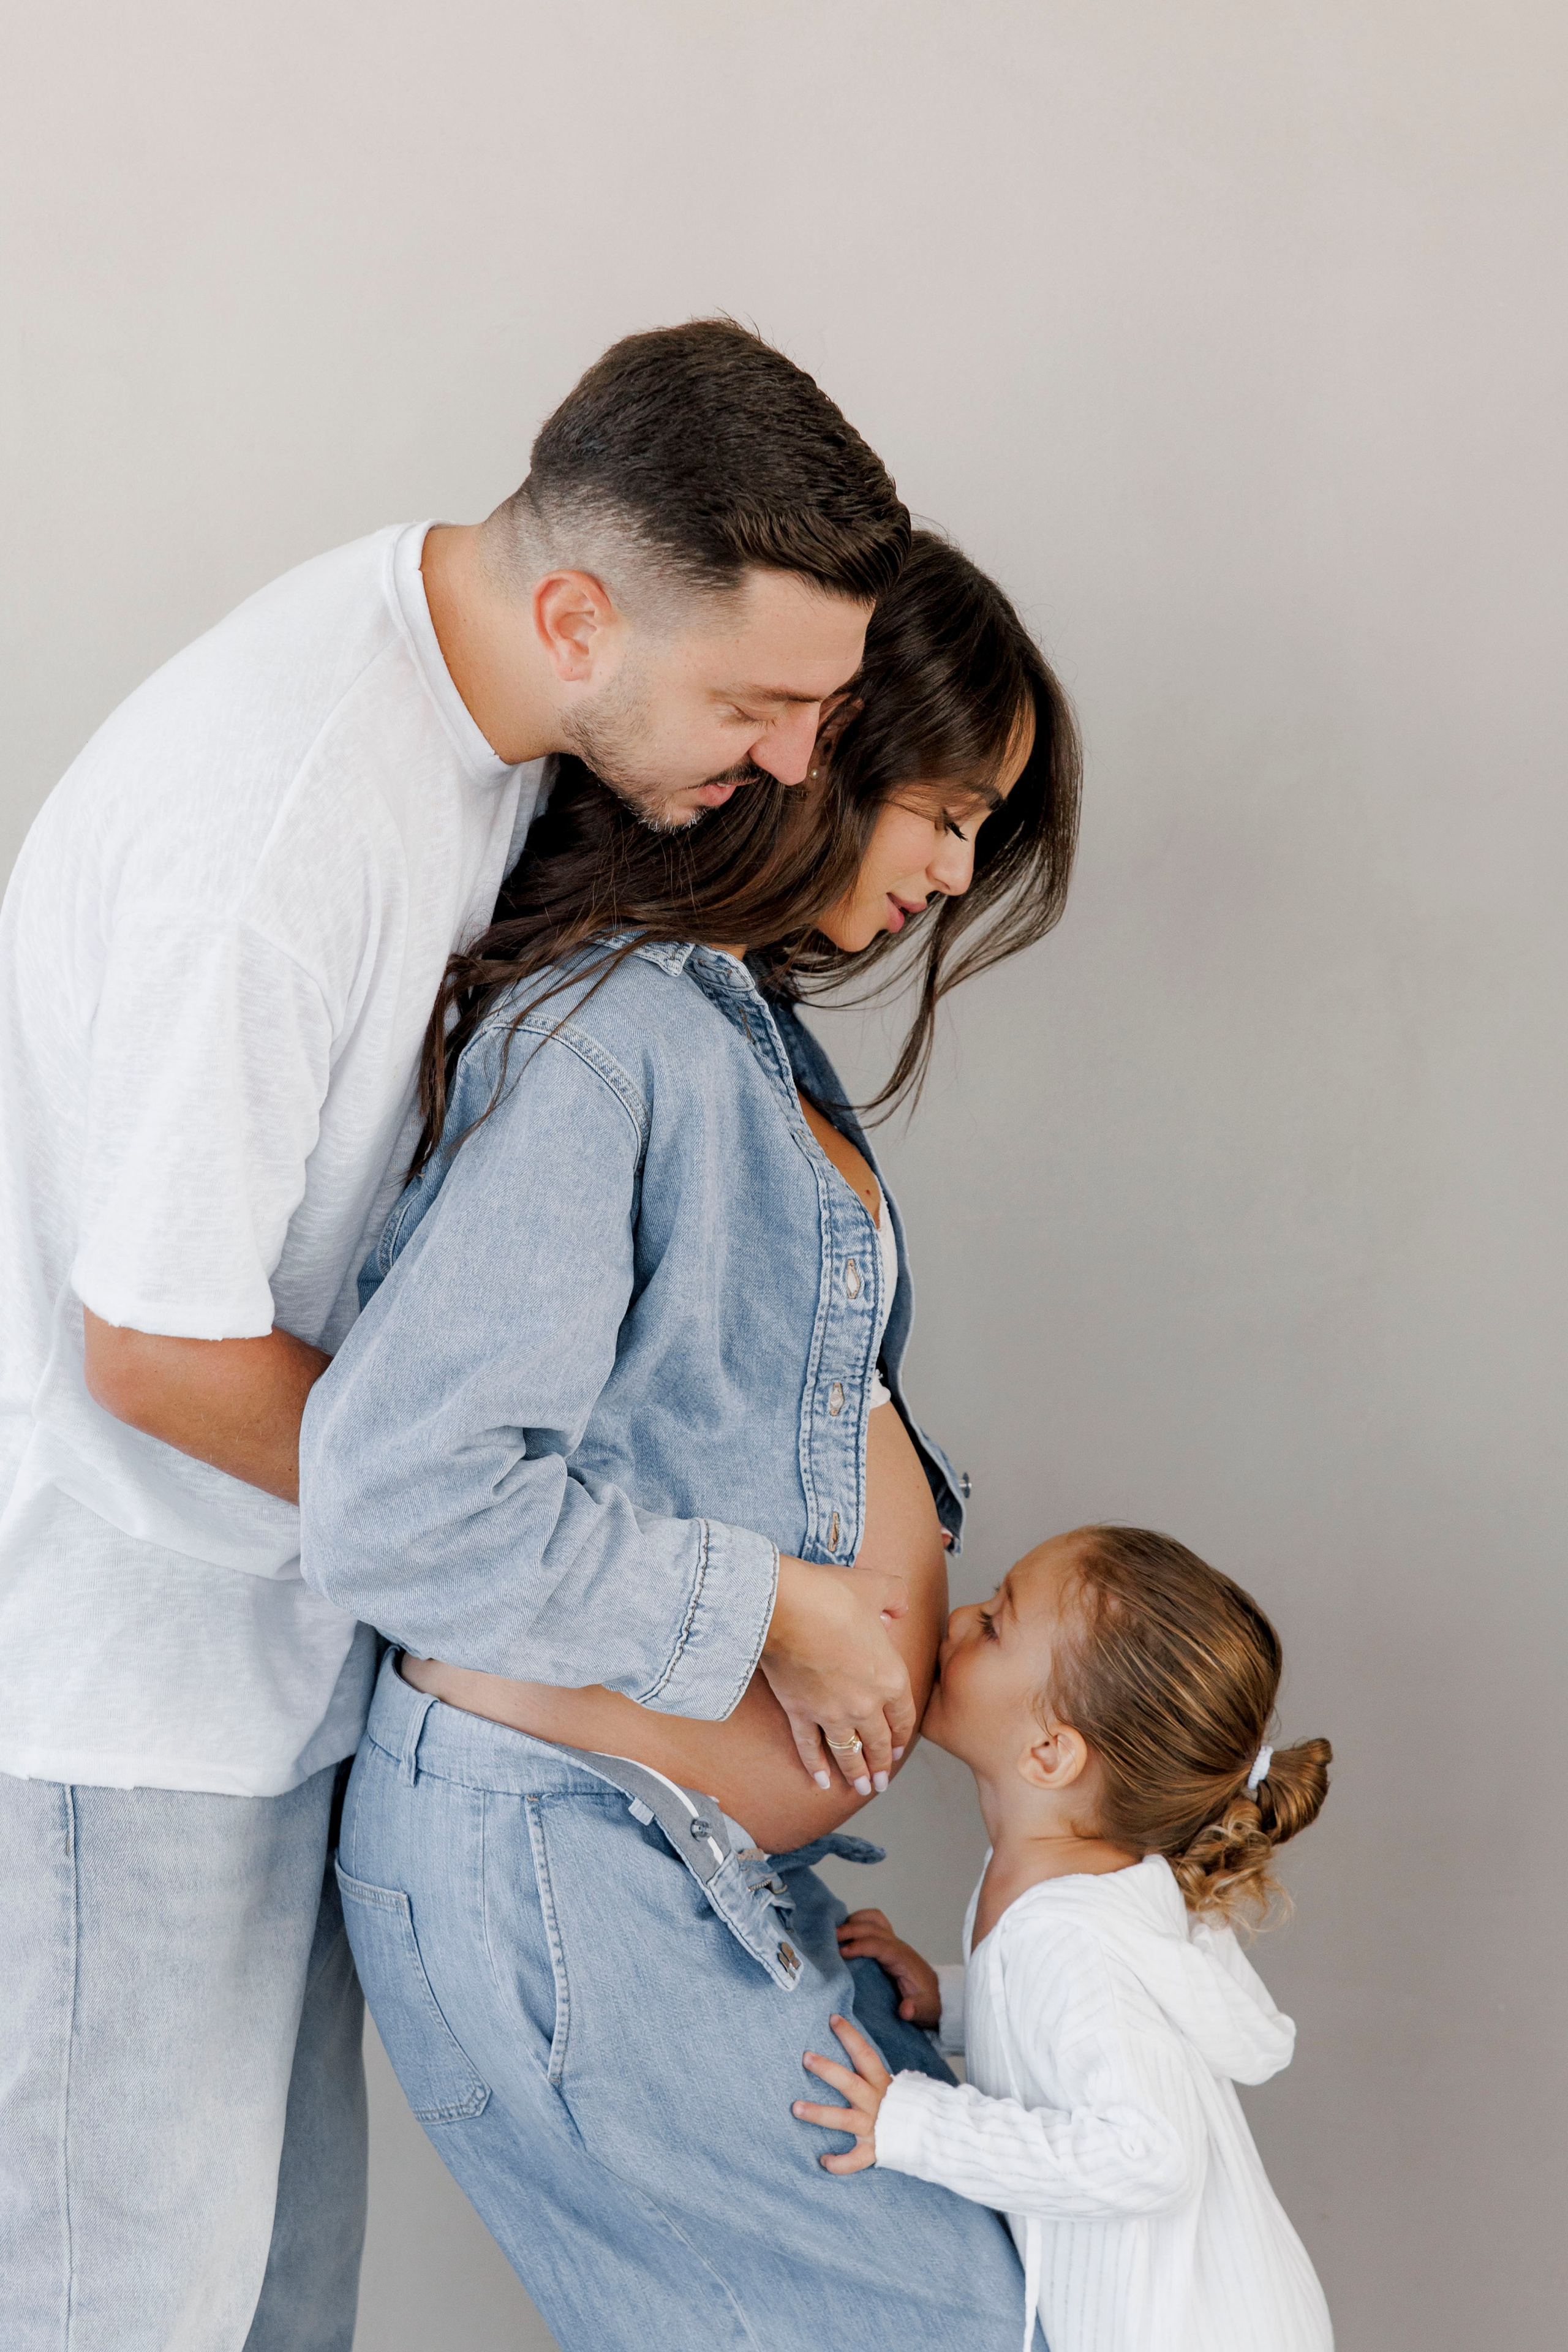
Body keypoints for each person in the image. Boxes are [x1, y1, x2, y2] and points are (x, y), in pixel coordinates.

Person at [0, 319, 910, 2352]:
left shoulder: (488, 726)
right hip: (115, 1708)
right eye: (760, 703)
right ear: (579, 611)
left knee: (271, 2310)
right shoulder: (285, 818)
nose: (787, 764)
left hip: (278, 1673)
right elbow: (150, 1348)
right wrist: (584, 1553)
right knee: (116, 2316)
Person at [297, 533, 1082, 2349]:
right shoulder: (622, 1041)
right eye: (949, 813)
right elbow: (404, 1497)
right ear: (826, 750)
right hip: (574, 1869)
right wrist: (783, 1616)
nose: (957, 874)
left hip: (667, 1862)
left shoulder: (728, 1031)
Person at [794, 1525, 1336, 2352]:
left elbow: (1149, 2155)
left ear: (1049, 1754)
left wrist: (915, 2126)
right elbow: (1079, 2025)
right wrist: (958, 1998)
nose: (960, 1615)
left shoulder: (1064, 1934)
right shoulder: (1083, 1895)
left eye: (995, 1624)